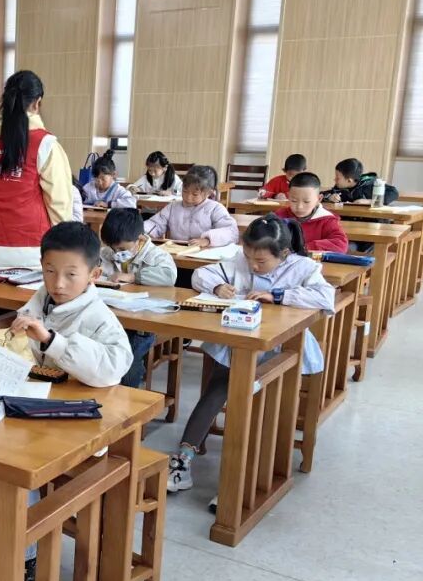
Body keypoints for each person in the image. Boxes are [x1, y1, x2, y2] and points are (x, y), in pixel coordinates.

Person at [0, 221, 132, 581]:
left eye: (70, 274)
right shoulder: (42, 298)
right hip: (31, 403)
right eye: (49, 271)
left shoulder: (99, 316)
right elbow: (25, 345)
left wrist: (50, 340)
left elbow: (114, 367)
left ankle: (26, 555)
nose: (58, 283)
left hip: (72, 419)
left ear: (94, 275)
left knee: (15, 463)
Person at [167, 215, 335, 495]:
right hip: (241, 344)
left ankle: (244, 481)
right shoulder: (240, 261)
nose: (253, 266)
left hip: (284, 349)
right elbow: (201, 275)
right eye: (248, 258)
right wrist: (218, 287)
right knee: (217, 388)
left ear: (283, 254)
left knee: (262, 403)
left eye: (261, 262)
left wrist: (278, 296)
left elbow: (325, 298)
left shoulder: (303, 267)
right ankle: (183, 460)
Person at [0, 70, 73, 273]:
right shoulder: (45, 145)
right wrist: (63, 249)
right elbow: (59, 204)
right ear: (37, 103)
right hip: (26, 250)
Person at [99, 208, 177, 387]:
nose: (116, 252)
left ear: (140, 239)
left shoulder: (156, 255)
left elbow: (169, 275)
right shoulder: (107, 253)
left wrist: (135, 277)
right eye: (113, 248)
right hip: (112, 318)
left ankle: (128, 396)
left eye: (121, 249)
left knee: (127, 361)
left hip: (142, 324)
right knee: (99, 354)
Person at [275, 172, 349, 254]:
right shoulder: (280, 215)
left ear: (319, 199)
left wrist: (304, 248)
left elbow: (341, 244)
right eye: (294, 201)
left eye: (306, 202)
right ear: (288, 196)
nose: (299, 207)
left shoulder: (327, 220)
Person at [326, 158, 398, 205]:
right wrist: (329, 197)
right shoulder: (339, 188)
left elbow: (394, 192)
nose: (334, 179)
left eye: (337, 178)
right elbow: (323, 194)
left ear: (349, 180)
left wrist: (369, 201)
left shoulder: (370, 184)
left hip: (371, 220)